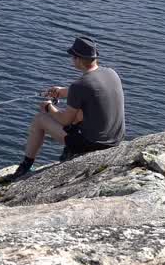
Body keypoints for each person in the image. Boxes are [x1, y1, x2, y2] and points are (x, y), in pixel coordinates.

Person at [12, 36, 124, 179]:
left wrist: (48, 107)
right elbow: (90, 91)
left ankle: (25, 166)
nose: (71, 60)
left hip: (95, 144)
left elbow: (65, 120)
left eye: (72, 57)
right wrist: (60, 91)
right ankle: (69, 147)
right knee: (80, 111)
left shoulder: (80, 85)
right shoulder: (111, 73)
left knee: (40, 120)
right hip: (115, 139)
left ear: (78, 59)